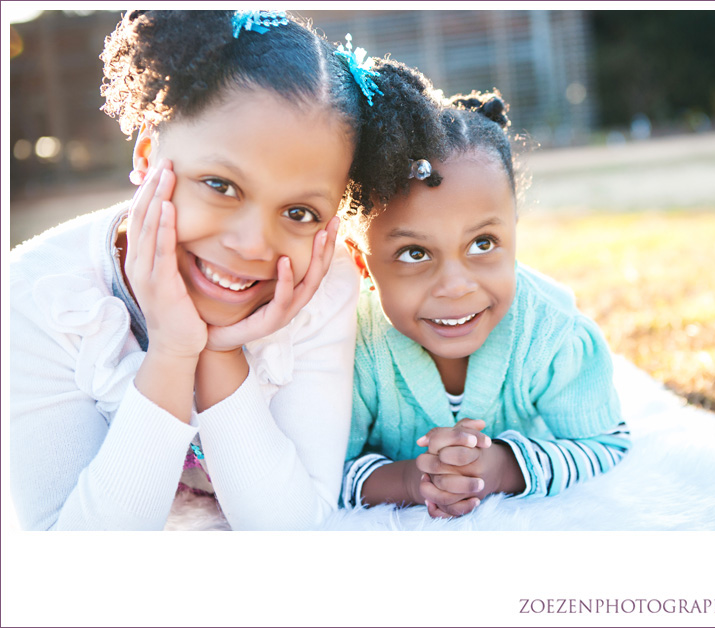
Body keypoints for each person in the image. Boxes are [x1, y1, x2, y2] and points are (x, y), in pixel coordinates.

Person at [10, 10, 384, 530]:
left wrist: (220, 352)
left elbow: (292, 532)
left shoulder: (322, 283)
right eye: (220, 185)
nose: (251, 244)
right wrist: (172, 353)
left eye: (300, 213)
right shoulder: (40, 295)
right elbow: (76, 566)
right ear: (146, 152)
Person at [341, 67, 631, 518]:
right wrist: (410, 481)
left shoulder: (551, 335)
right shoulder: (351, 347)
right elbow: (316, 473)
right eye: (414, 253)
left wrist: (501, 468)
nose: (456, 286)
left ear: (514, 231)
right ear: (362, 262)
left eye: (483, 244)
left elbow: (605, 442)